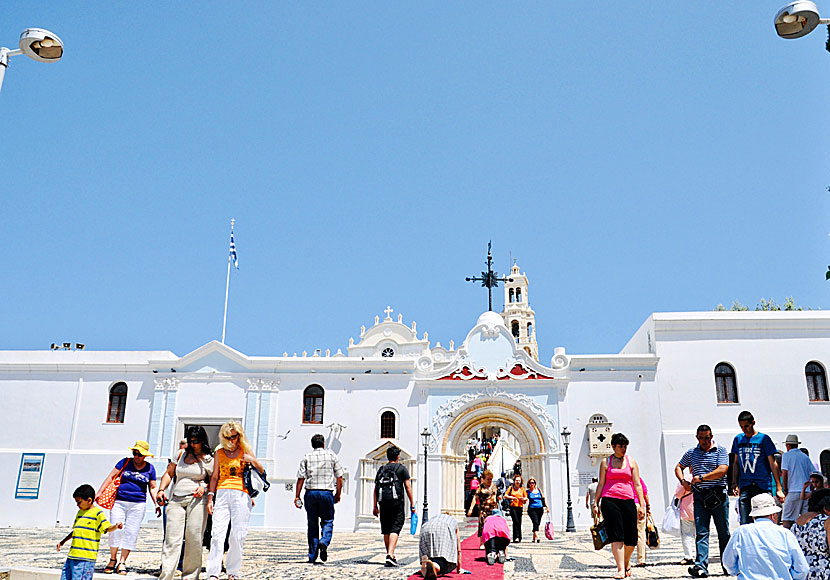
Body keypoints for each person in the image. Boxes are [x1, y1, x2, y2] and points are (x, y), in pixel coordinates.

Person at [206, 420, 263, 580]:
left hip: (241, 493)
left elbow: (262, 471)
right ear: (223, 437)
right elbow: (215, 476)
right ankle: (213, 572)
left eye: (235, 437)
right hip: (222, 493)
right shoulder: (219, 453)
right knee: (217, 534)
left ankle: (233, 571)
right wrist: (211, 497)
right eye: (228, 437)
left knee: (238, 535)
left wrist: (252, 461)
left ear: (239, 436)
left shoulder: (245, 451)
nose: (232, 440)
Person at [156, 426, 214, 580]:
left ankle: (190, 575)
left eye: (196, 441)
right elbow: (169, 473)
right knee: (172, 538)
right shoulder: (181, 454)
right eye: (191, 441)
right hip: (176, 498)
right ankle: (166, 574)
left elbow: (214, 481)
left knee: (194, 537)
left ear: (202, 441)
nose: (193, 445)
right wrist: (161, 490)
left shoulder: (208, 459)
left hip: (197, 500)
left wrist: (204, 487)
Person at [97, 440, 159, 575]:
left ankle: (122, 562)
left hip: (138, 504)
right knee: (115, 529)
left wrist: (156, 503)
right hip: (119, 501)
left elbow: (153, 487)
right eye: (135, 453)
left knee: (131, 532)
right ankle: (112, 559)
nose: (136, 456)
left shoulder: (150, 469)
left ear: (145, 455)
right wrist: (100, 492)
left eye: (140, 454)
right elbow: (111, 477)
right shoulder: (125, 462)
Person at [676, 424, 730, 578]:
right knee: (701, 532)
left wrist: (701, 477)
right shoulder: (692, 453)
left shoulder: (721, 450)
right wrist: (682, 481)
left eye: (707, 437)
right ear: (697, 438)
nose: (704, 441)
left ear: (711, 436)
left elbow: (722, 470)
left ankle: (727, 565)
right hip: (700, 496)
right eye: (701, 438)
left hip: (718, 495)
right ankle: (701, 566)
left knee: (723, 532)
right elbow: (679, 467)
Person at [594, 432, 646, 579]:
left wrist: (642, 505)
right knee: (617, 535)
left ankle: (626, 561)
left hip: (628, 500)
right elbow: (601, 483)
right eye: (621, 446)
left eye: (625, 446)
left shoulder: (631, 462)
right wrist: (595, 503)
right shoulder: (606, 462)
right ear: (613, 446)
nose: (623, 449)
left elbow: (637, 484)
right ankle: (620, 569)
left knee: (632, 538)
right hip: (610, 500)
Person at [722, 493, 809, 580]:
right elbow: (802, 568)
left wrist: (737, 571)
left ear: (753, 516)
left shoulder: (741, 532)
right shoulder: (785, 534)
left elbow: (727, 562)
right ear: (773, 515)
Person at [294, 433, 344, 564]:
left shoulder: (307, 457)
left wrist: (297, 495)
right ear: (323, 444)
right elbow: (339, 477)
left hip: (310, 493)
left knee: (312, 524)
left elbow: (300, 478)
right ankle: (324, 541)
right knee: (328, 520)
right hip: (326, 493)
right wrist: (338, 493)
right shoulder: (332, 456)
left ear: (312, 445)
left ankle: (312, 555)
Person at [57, 484, 123, 579]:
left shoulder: (97, 514)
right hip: (72, 556)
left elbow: (106, 528)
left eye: (79, 502)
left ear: (89, 500)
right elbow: (76, 531)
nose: (77, 505)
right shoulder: (80, 513)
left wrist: (115, 526)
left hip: (85, 558)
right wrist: (63, 541)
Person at [731, 410, 785, 525]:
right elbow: (736, 463)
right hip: (746, 485)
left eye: (747, 426)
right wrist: (734, 482)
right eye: (741, 427)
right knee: (745, 521)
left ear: (753, 423)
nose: (744, 429)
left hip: (763, 485)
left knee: (766, 521)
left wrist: (779, 488)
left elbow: (773, 463)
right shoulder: (738, 439)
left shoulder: (764, 439)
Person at [372, 445, 415, 567]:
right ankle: (390, 555)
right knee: (395, 527)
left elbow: (375, 488)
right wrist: (412, 503)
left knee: (386, 528)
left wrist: (374, 505)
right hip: (397, 503)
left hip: (383, 502)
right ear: (397, 456)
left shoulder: (381, 469)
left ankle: (390, 554)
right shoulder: (401, 469)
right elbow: (407, 487)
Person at [792, 488, 830, 580]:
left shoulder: (796, 522)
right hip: (823, 573)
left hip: (801, 573)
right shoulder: (826, 522)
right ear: (826, 508)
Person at [782, 434, 818, 528]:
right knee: (805, 517)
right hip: (806, 491)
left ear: (788, 445)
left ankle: (787, 539)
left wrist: (785, 489)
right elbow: (814, 472)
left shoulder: (786, 456)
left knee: (787, 518)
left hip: (793, 490)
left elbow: (785, 473)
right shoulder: (804, 456)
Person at [419, 512, 462, 579]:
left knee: (430, 551)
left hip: (425, 527)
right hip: (443, 528)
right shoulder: (453, 521)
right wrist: (459, 569)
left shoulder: (435, 517)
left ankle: (427, 563)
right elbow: (458, 548)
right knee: (443, 560)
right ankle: (434, 566)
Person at [467, 469, 500, 549]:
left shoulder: (494, 486)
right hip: (483, 509)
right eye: (488, 479)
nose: (489, 481)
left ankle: (493, 542)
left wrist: (499, 497)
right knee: (483, 526)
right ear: (484, 479)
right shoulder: (480, 487)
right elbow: (475, 498)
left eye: (491, 479)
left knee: (493, 526)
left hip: (493, 510)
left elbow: (498, 496)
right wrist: (471, 508)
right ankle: (482, 542)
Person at [673, 478, 696, 565]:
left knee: (687, 534)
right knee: (700, 534)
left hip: (687, 510)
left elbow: (678, 494)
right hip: (701, 509)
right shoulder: (704, 476)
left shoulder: (686, 478)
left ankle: (688, 556)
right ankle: (701, 555)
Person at [632, 476, 650, 567]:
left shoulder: (623, 479)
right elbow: (645, 493)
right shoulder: (638, 478)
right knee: (641, 532)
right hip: (639, 505)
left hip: (628, 506)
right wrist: (648, 505)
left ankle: (625, 559)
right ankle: (641, 559)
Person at [505, 474, 528, 542]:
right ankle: (516, 537)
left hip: (520, 507)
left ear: (521, 481)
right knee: (515, 521)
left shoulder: (522, 489)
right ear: (514, 481)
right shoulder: (511, 488)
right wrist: (512, 497)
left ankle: (519, 537)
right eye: (516, 480)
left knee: (519, 521)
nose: (518, 481)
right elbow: (505, 495)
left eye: (519, 480)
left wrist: (523, 498)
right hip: (513, 507)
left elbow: (526, 497)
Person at [526, 477, 548, 542]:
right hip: (532, 509)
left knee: (537, 523)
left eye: (533, 483)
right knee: (535, 521)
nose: (532, 484)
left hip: (540, 509)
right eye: (530, 483)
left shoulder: (539, 490)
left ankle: (534, 538)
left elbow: (543, 498)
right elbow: (525, 499)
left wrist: (546, 506)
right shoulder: (527, 492)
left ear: (535, 483)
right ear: (528, 484)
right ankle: (537, 536)